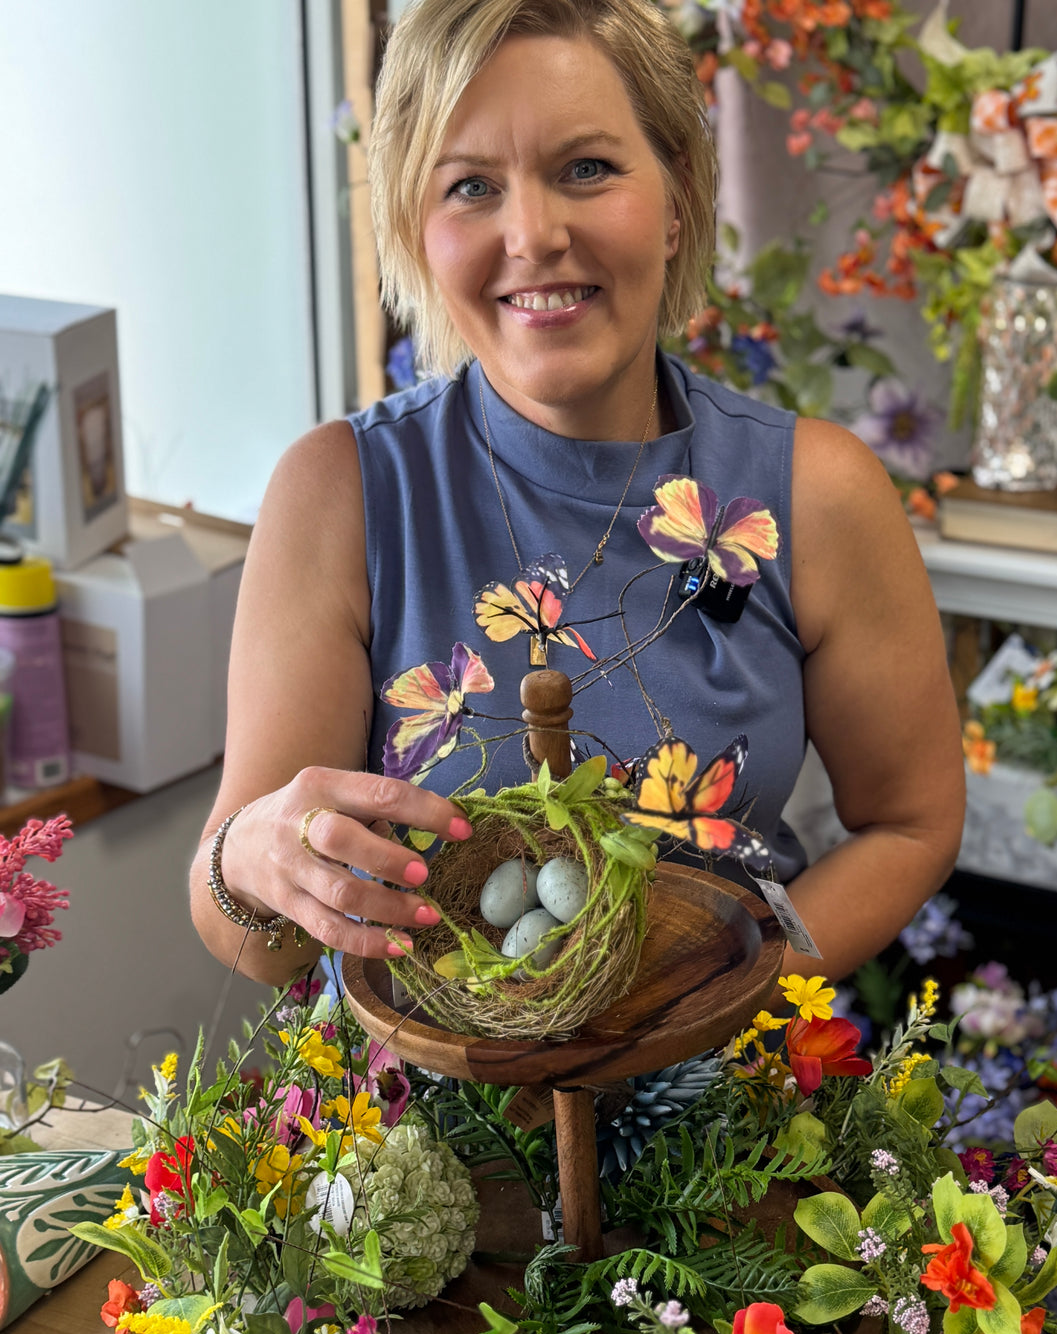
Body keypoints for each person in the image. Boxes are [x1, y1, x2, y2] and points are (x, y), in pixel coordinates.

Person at [190, 0, 964, 991]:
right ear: (414, 231)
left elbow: (910, 821)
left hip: (720, 1120)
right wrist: (247, 854)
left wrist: (718, 1000)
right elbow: (259, 942)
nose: (532, 234)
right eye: (469, 186)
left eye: (585, 169)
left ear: (677, 190)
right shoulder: (339, 494)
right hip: (422, 1125)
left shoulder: (810, 495)